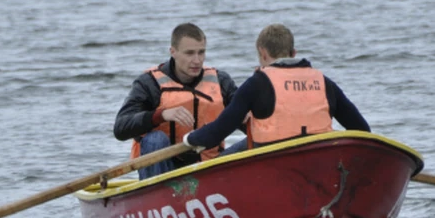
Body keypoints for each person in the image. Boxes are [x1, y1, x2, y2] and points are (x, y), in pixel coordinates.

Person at [183, 24, 369, 154]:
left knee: (222, 159)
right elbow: (361, 129)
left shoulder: (257, 83)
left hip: (271, 160)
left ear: (262, 54)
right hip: (318, 156)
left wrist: (191, 140)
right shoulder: (324, 82)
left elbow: (219, 131)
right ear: (293, 53)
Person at [114, 23, 238, 179]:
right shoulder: (149, 83)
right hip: (166, 171)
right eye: (189, 53)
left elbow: (248, 120)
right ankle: (158, 195)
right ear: (173, 52)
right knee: (154, 139)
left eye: (201, 52)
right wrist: (161, 115)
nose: (197, 60)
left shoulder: (221, 81)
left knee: (257, 136)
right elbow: (121, 128)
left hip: (210, 166)